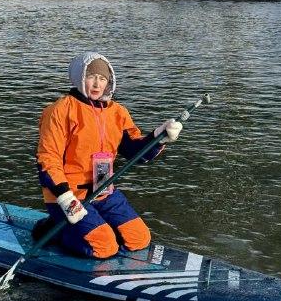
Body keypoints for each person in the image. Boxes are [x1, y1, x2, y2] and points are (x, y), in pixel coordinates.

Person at [36, 52, 183, 259]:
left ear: (109, 82)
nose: (97, 84)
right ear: (80, 77)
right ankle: (56, 231)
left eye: (102, 78)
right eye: (91, 77)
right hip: (68, 197)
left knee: (139, 239)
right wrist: (66, 198)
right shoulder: (60, 110)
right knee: (104, 247)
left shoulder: (118, 112)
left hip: (104, 191)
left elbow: (136, 152)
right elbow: (48, 159)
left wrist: (159, 137)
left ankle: (95, 231)